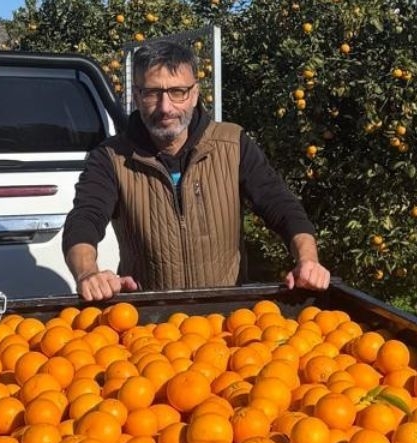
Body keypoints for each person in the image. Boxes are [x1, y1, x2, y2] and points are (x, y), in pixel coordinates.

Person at [63, 40, 331, 301]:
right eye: (152, 93)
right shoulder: (111, 157)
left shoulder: (232, 143)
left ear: (194, 94)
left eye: (177, 92)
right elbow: (85, 218)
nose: (165, 107)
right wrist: (88, 272)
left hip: (226, 317)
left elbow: (280, 205)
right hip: (148, 320)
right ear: (136, 96)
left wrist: (308, 260)